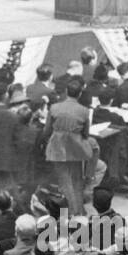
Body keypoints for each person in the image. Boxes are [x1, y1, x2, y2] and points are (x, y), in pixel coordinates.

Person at [45, 79, 94, 217]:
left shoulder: (54, 107)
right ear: (79, 94)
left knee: (64, 180)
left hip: (57, 146)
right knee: (77, 179)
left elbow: (47, 130)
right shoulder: (84, 111)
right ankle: (79, 210)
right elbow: (86, 133)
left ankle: (73, 212)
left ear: (66, 92)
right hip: (76, 146)